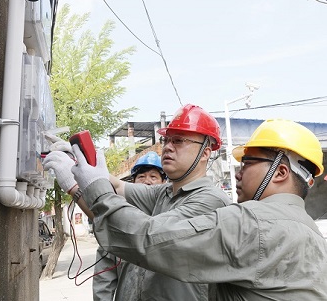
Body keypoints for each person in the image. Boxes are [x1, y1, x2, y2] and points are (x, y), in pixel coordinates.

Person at [68, 118, 327, 300]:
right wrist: (89, 177)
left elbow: (149, 241)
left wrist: (90, 187)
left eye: (247, 163)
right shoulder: (310, 231)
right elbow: (126, 192)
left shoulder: (249, 222)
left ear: (280, 172)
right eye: (167, 140)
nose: (238, 173)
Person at [43, 104, 231, 301]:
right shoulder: (164, 193)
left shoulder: (210, 202)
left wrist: (74, 187)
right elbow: (114, 189)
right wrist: (78, 164)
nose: (167, 146)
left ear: (205, 153)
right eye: (166, 139)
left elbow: (145, 239)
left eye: (178, 141)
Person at [92, 151, 166, 301]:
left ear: (164, 183)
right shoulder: (119, 221)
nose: (147, 181)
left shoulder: (170, 218)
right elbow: (104, 275)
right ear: (132, 183)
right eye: (141, 177)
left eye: (153, 177)